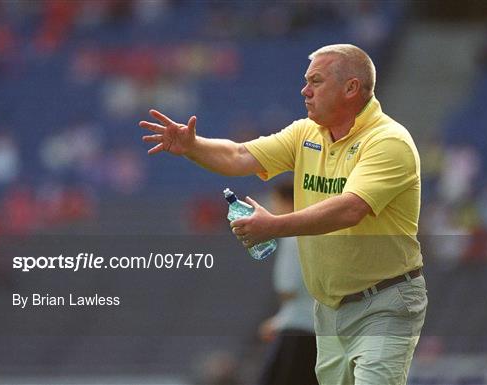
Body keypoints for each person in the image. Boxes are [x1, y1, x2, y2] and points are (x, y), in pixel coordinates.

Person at [140, 44, 427, 385]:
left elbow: (351, 208)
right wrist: (193, 146)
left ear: (350, 88)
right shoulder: (306, 133)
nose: (304, 91)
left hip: (383, 301)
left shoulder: (388, 140)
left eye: (316, 81)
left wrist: (274, 226)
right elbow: (239, 155)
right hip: (330, 310)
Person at [257, 180, 318, 385]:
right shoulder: (316, 233)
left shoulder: (292, 238)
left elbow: (287, 289)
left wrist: (279, 320)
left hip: (298, 329)